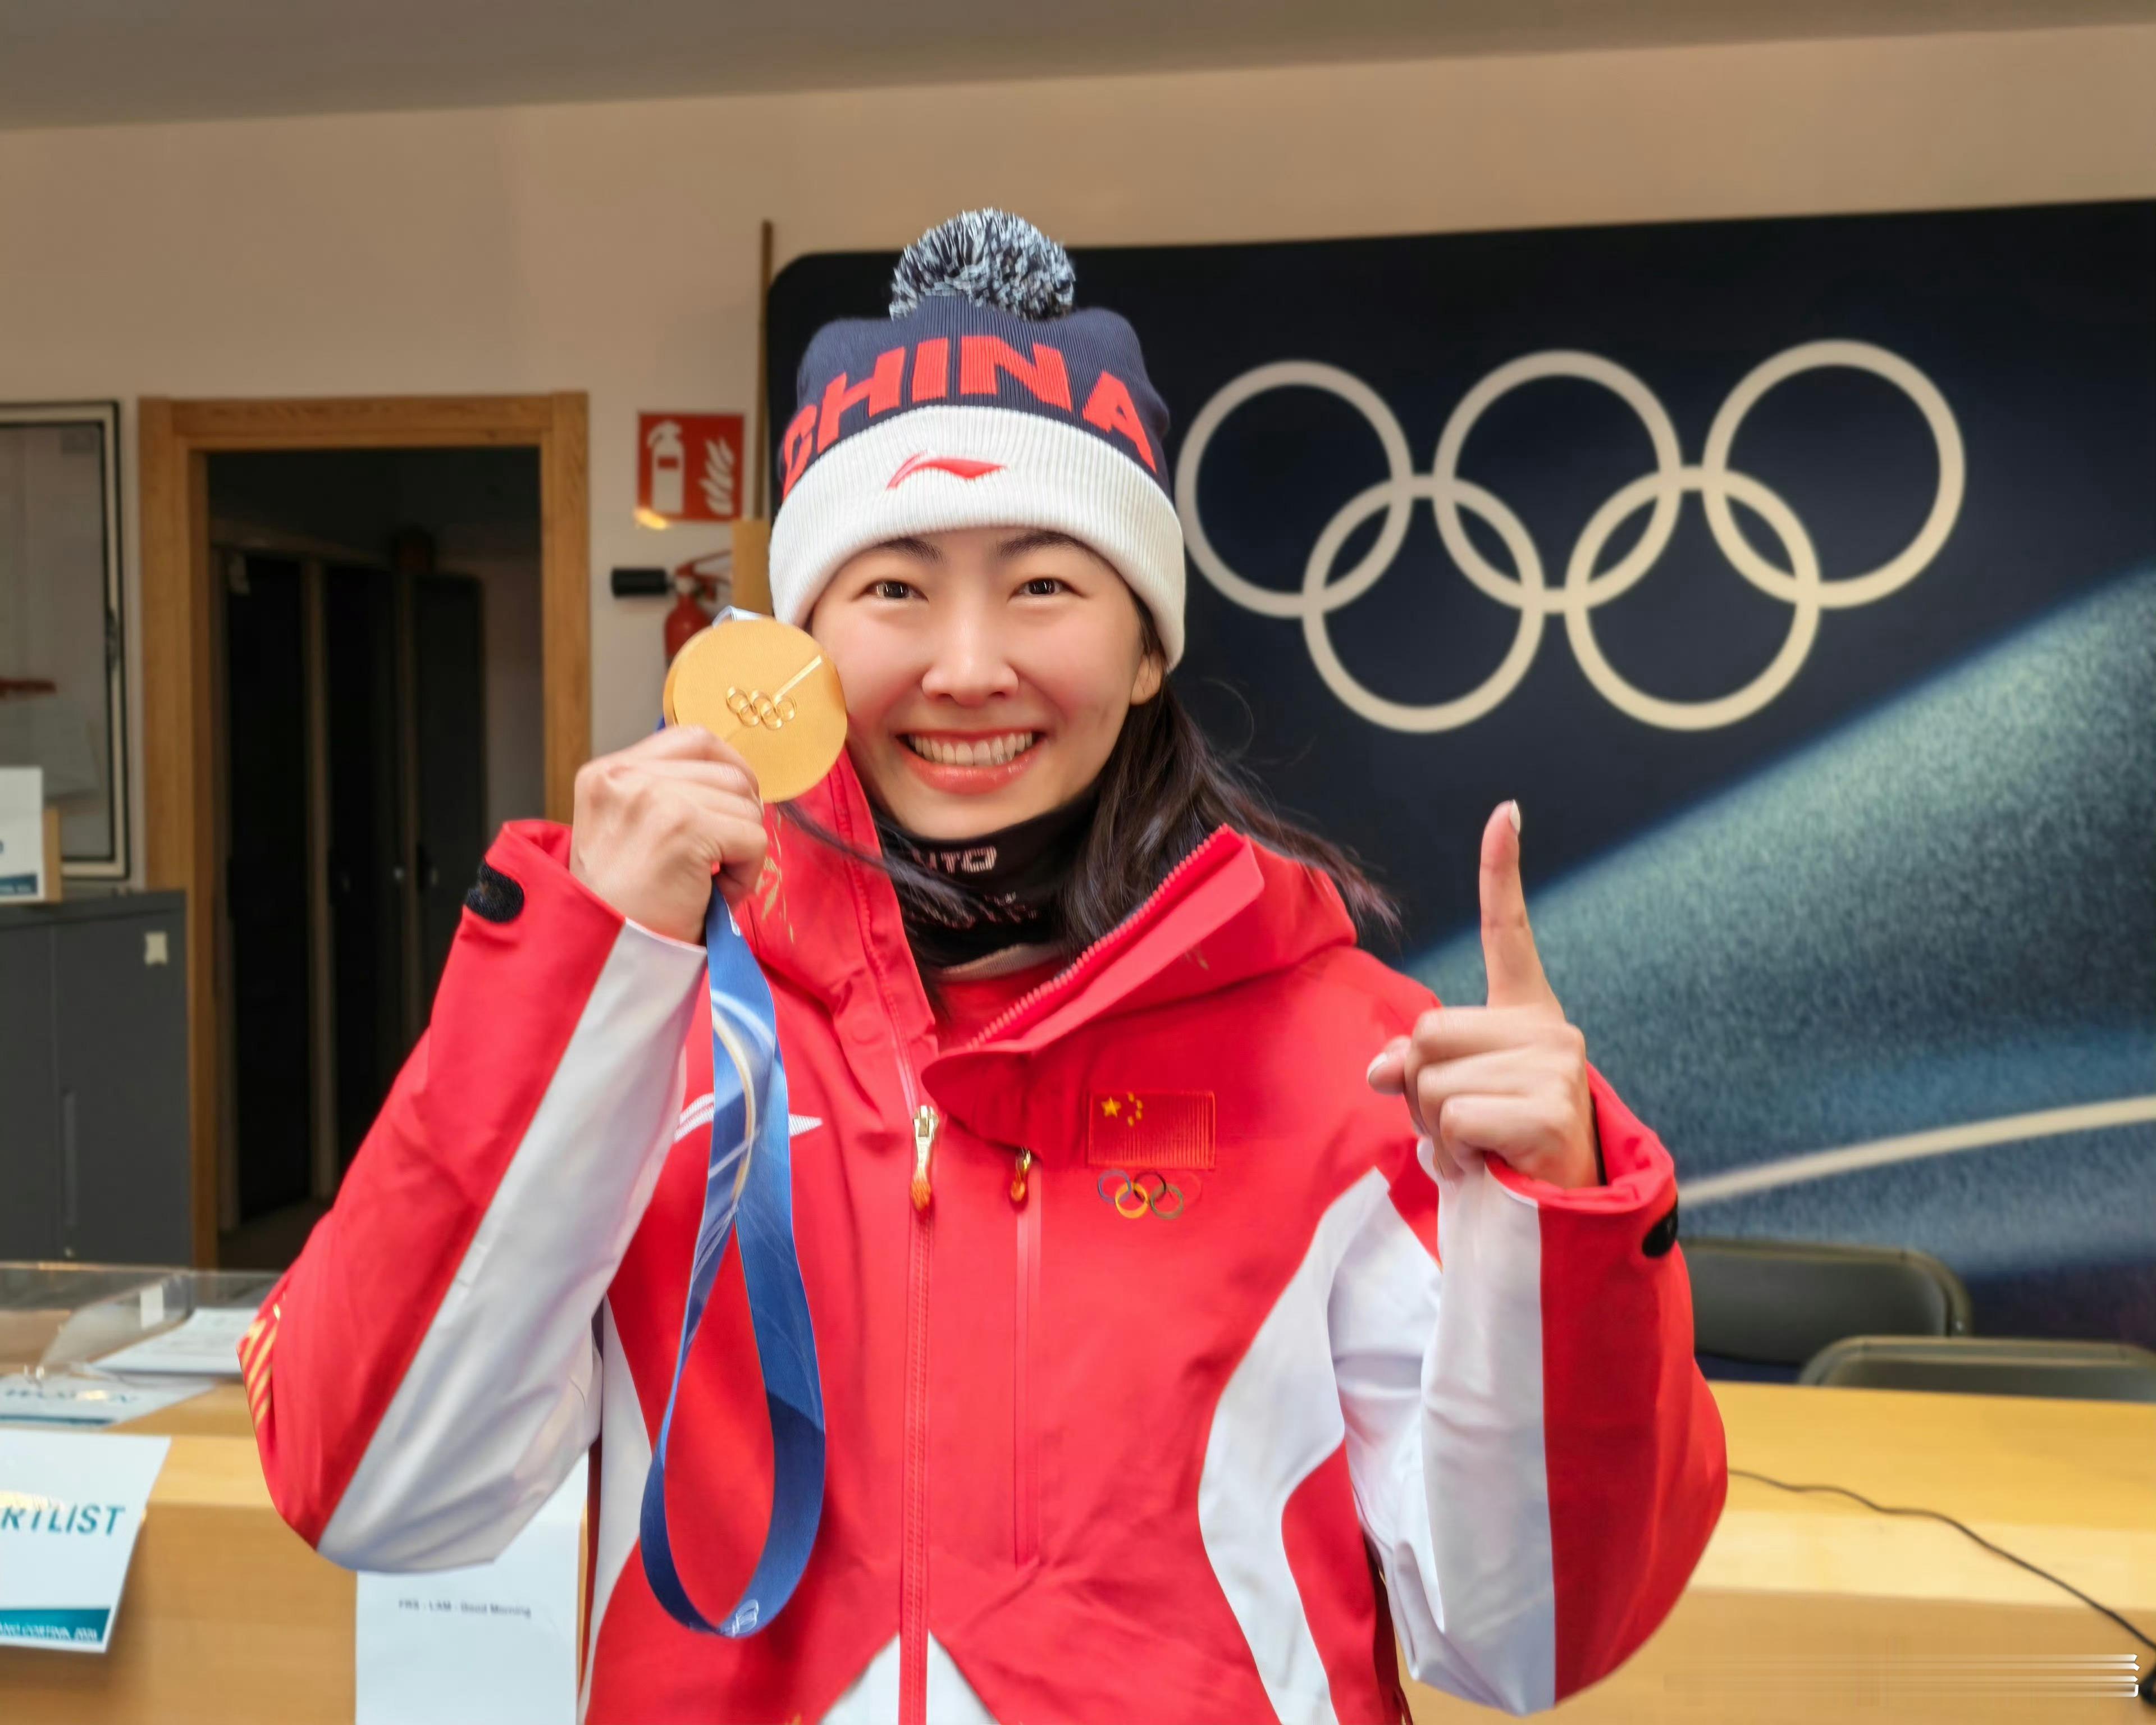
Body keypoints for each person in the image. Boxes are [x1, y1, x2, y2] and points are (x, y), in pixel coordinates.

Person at [243, 210, 1725, 1724]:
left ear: (1148, 648)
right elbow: (374, 1493)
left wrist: (1559, 1223)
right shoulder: (652, 1025)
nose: (966, 666)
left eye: (1043, 586)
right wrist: (574, 971)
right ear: (802, 642)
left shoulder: (1355, 1060)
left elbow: (1529, 1643)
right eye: (892, 588)